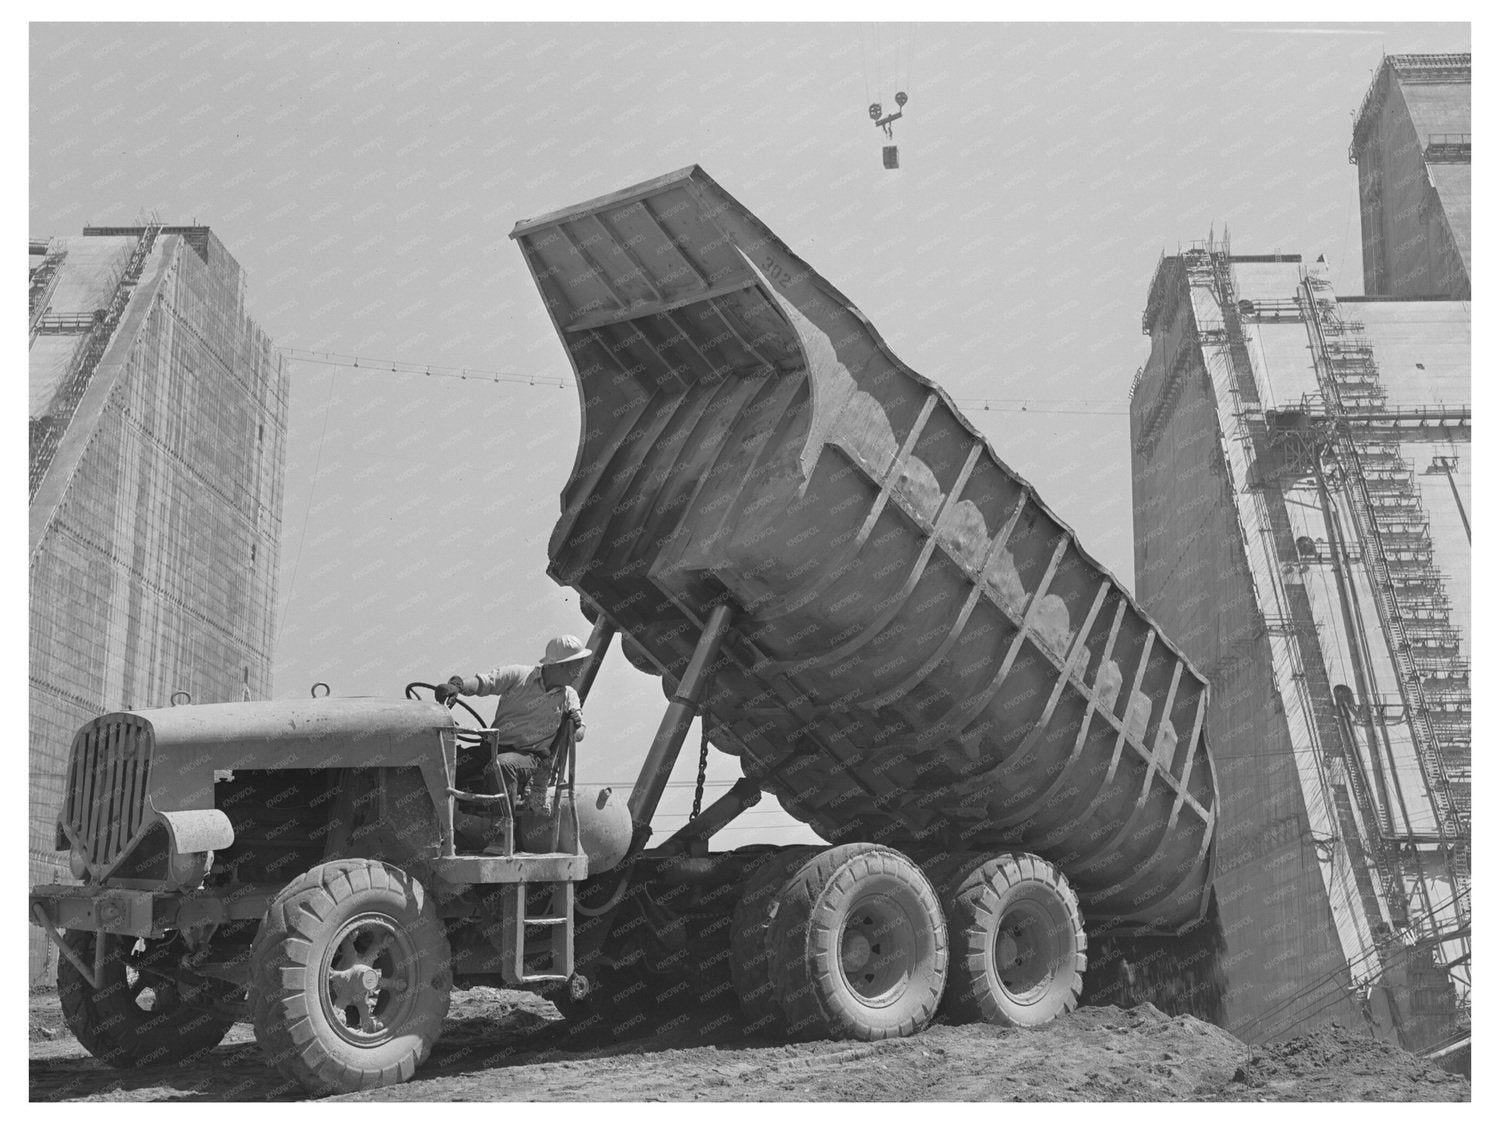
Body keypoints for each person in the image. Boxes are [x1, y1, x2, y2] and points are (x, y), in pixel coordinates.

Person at [436, 635, 591, 809]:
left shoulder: (569, 696)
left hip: (531, 758)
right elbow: (484, 683)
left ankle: (503, 826)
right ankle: (443, 825)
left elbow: (579, 734)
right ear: (561, 665)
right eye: (577, 666)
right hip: (492, 749)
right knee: (442, 768)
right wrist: (458, 686)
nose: (579, 672)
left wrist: (575, 724)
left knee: (503, 765)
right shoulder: (519, 675)